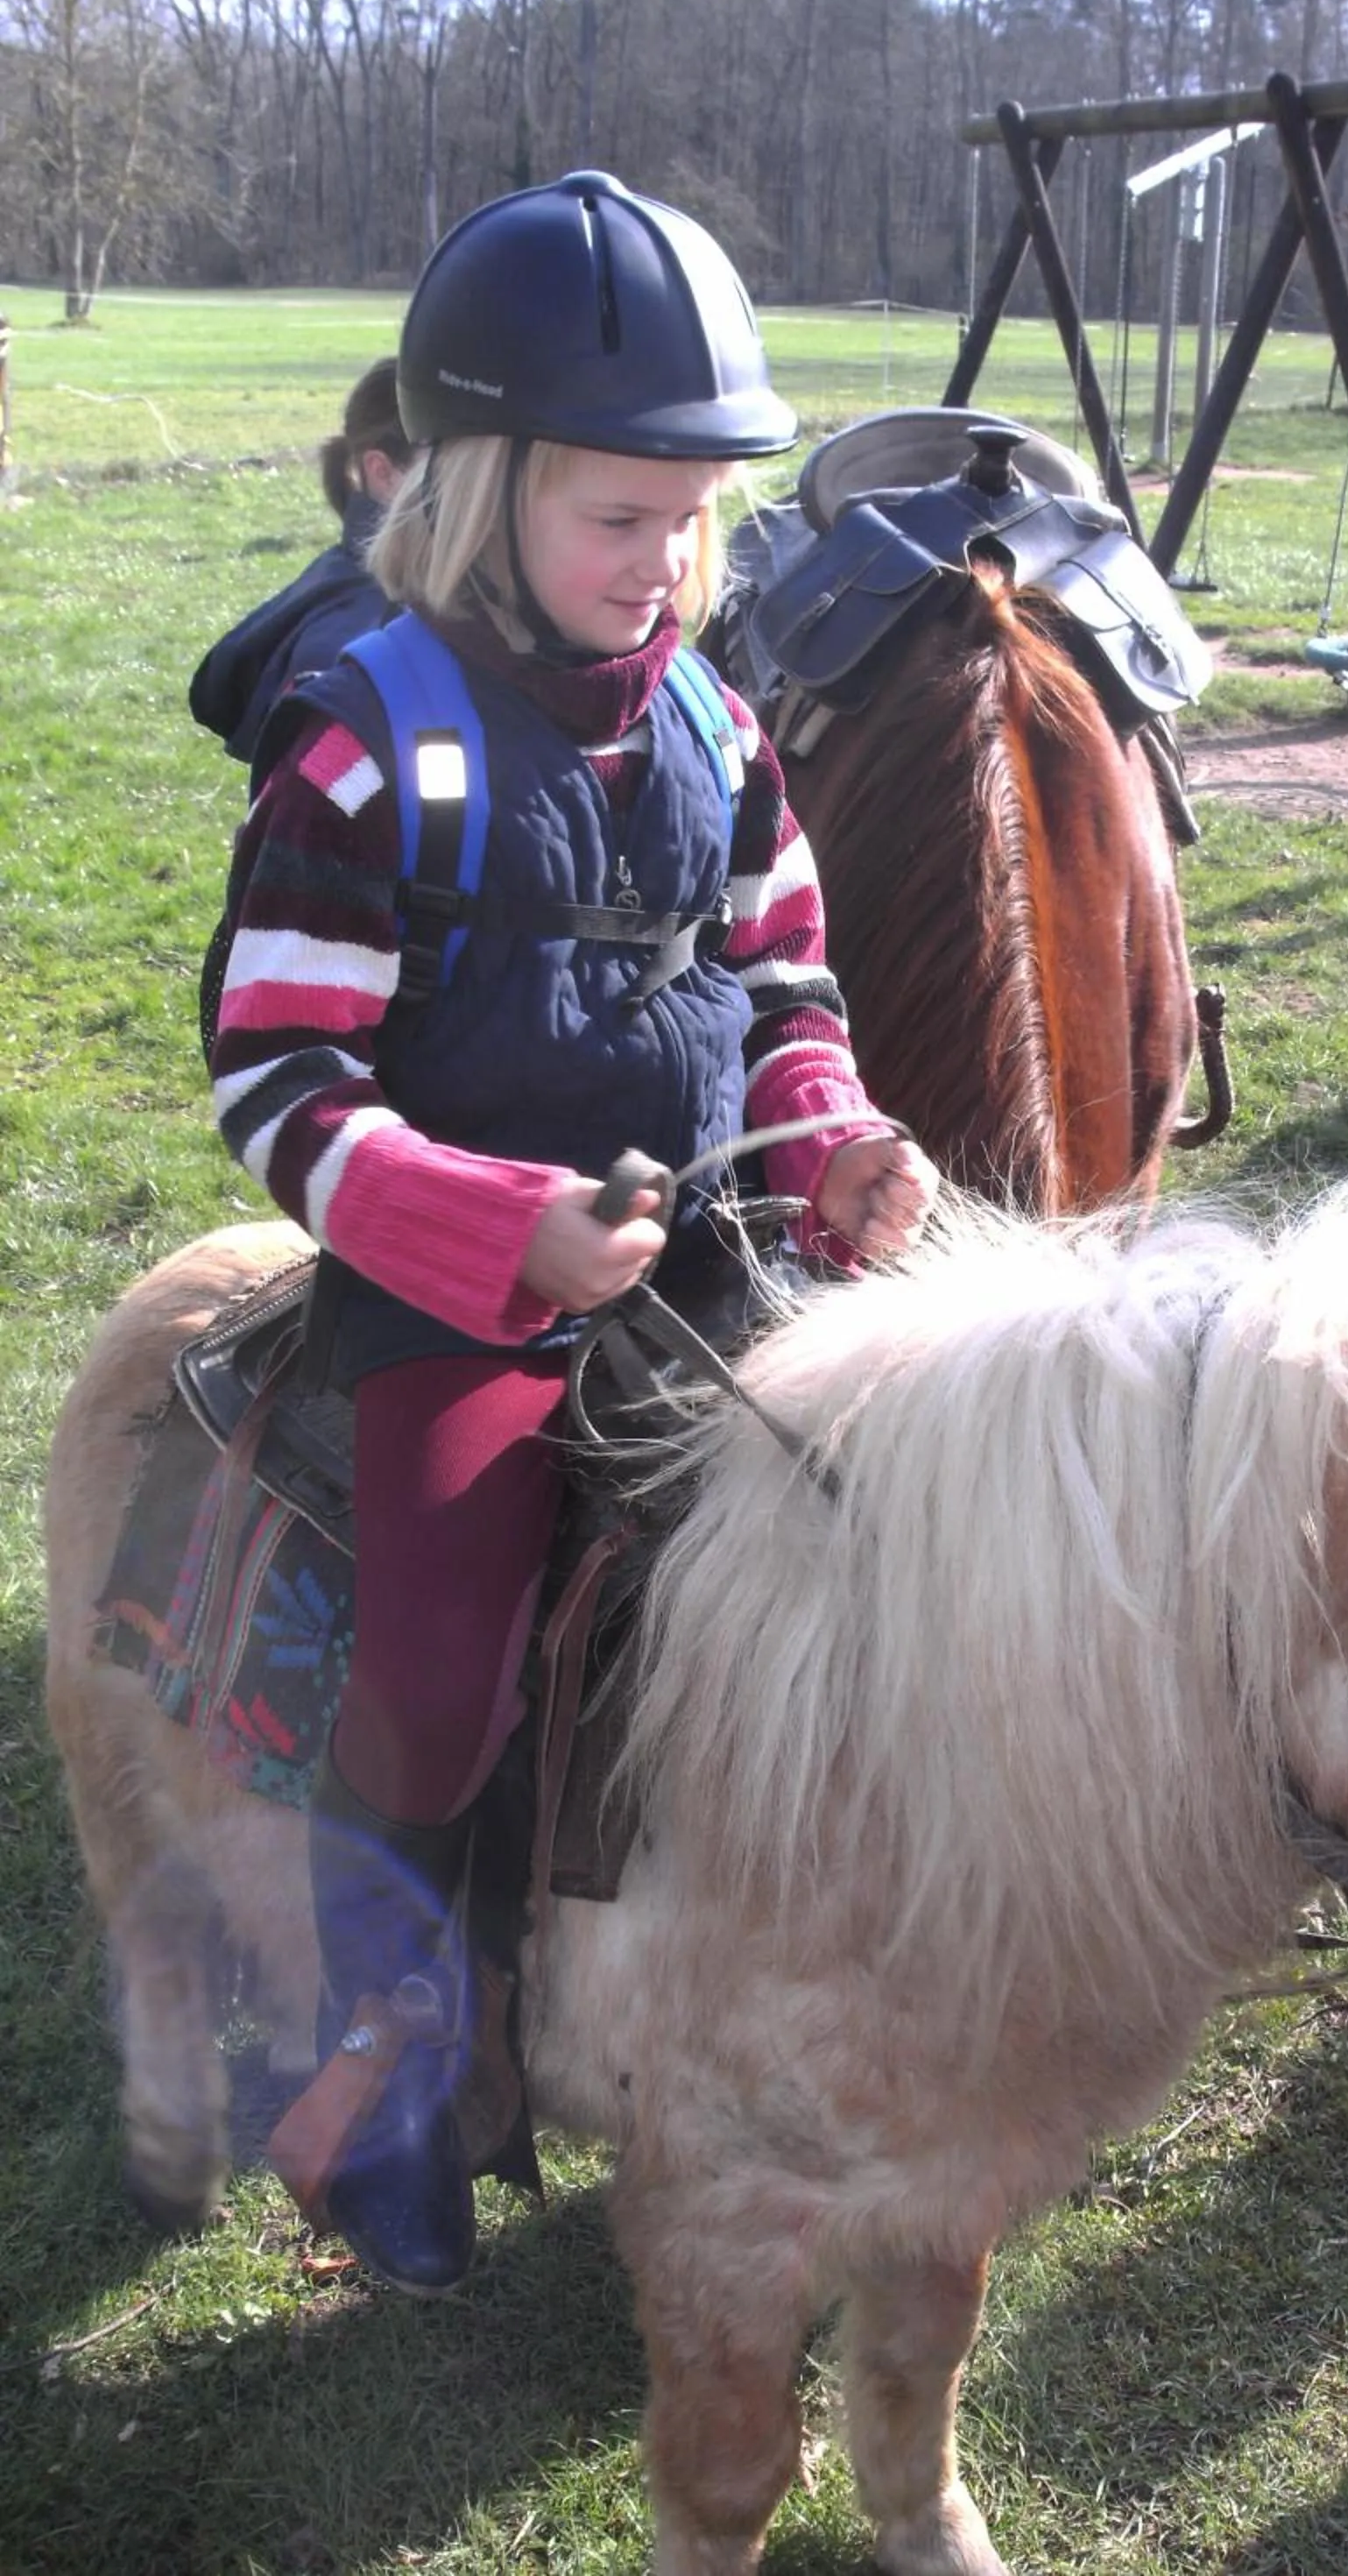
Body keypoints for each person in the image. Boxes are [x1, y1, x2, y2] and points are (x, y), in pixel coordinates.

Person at [209, 170, 939, 2296]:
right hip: (464, 1298)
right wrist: (486, 1228)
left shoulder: (720, 730)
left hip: (714, 1271)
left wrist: (835, 1148)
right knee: (438, 1684)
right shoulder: (367, 751)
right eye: (617, 517)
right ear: (482, 484)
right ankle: (384, 2022)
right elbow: (277, 1081)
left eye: (693, 519)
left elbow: (785, 998)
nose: (664, 566)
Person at [189, 355, 411, 761]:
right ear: (383, 473)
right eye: (454, 463)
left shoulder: (394, 589)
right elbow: (307, 818)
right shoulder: (351, 641)